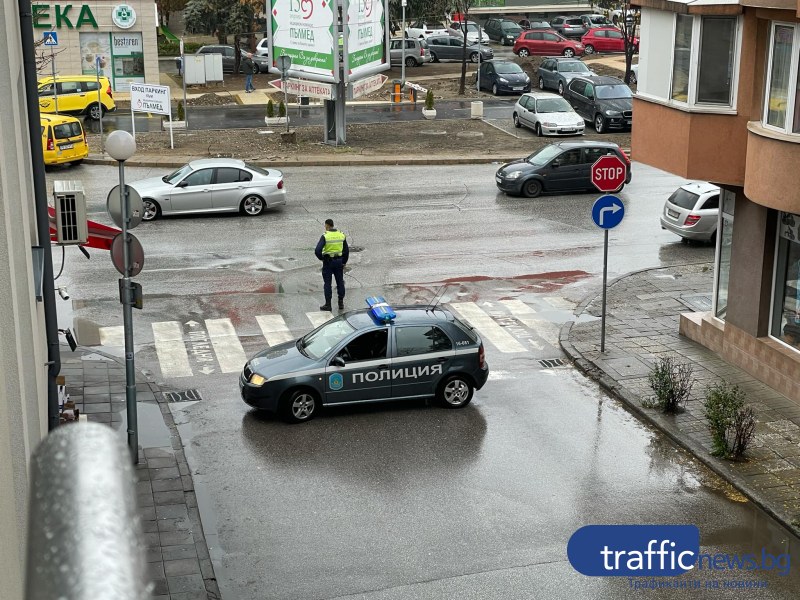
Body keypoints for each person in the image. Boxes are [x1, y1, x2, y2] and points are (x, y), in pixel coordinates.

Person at [315, 219, 349, 311]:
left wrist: (322, 258)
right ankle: (340, 303)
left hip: (328, 262)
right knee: (340, 282)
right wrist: (343, 262)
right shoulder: (341, 235)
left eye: (325, 226)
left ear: (327, 226)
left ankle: (328, 304)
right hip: (339, 261)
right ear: (333, 225)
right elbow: (346, 250)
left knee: (327, 283)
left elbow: (317, 250)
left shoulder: (325, 236)